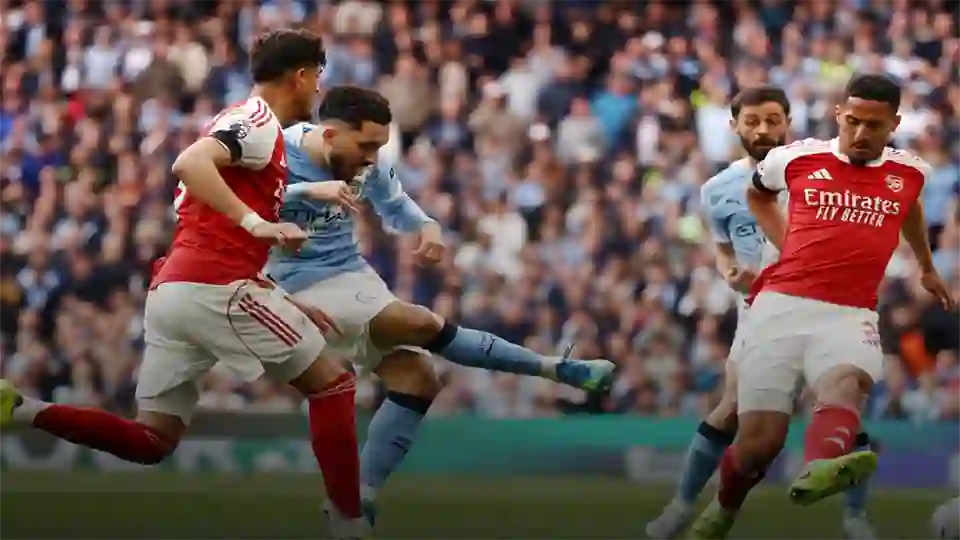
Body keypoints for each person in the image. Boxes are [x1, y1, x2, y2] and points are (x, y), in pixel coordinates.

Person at [0, 30, 371, 540]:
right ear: (301, 76)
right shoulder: (257, 120)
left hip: (176, 291)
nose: (319, 88)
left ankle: (21, 408)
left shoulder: (253, 136)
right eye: (318, 76)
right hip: (217, 288)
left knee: (152, 439)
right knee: (334, 383)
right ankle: (349, 522)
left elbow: (209, 214)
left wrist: (286, 284)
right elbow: (190, 163)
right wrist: (257, 224)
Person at [267, 84, 618, 529]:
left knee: (418, 377)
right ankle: (554, 368)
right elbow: (226, 201)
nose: (373, 157)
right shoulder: (272, 153)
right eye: (367, 145)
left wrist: (427, 226)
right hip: (295, 284)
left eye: (379, 146)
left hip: (352, 275)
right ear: (332, 134)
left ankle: (357, 499)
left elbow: (396, 204)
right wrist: (307, 192)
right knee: (415, 321)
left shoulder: (364, 163)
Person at [684, 73, 954, 540]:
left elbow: (908, 206)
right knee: (760, 443)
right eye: (853, 121)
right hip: (781, 305)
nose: (861, 133)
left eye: (874, 125)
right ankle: (722, 510)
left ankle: (819, 467)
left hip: (851, 312)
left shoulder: (911, 172)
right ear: (839, 115)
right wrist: (786, 242)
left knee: (847, 385)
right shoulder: (796, 158)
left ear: (894, 124)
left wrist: (926, 266)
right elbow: (757, 194)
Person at [646, 86, 876, 540]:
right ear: (735, 126)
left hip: (820, 305)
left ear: (788, 122)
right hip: (758, 312)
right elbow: (723, 249)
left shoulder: (818, 172)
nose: (763, 130)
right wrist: (729, 271)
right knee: (732, 408)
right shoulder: (717, 190)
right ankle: (681, 507)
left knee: (839, 403)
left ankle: (855, 519)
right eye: (752, 121)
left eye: (773, 120)